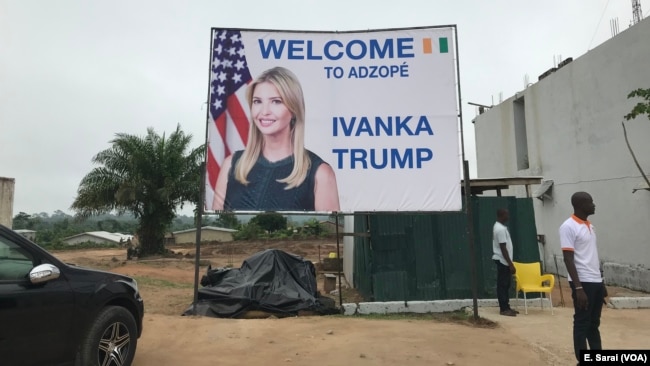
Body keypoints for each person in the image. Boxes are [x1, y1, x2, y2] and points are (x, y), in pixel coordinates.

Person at [212, 67, 340, 212]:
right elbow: (213, 230)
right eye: (257, 101)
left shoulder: (320, 174)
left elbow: (329, 234)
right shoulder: (232, 164)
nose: (264, 111)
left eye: (276, 101)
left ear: (294, 109)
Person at [560, 191, 607, 363]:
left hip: (595, 281)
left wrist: (601, 282)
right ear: (580, 205)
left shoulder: (590, 226)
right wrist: (578, 288)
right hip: (582, 282)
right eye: (590, 202)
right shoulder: (568, 226)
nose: (593, 205)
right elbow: (567, 258)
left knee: (594, 323)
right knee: (582, 322)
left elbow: (592, 255)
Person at [492, 208, 518, 316]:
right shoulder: (500, 229)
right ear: (502, 215)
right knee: (503, 285)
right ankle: (504, 309)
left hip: (503, 260)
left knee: (506, 284)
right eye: (506, 214)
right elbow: (503, 247)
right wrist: (510, 264)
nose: (508, 216)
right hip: (503, 261)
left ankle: (506, 306)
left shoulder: (498, 227)